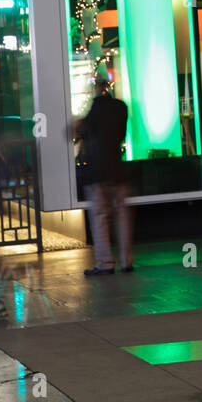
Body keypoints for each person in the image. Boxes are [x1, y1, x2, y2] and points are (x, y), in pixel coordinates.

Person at [74, 67, 133, 276]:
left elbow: (78, 132)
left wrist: (77, 125)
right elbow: (122, 135)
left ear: (97, 87)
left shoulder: (95, 108)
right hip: (118, 169)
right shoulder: (121, 107)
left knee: (100, 217)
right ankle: (126, 261)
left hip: (98, 172)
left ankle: (105, 263)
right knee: (122, 216)